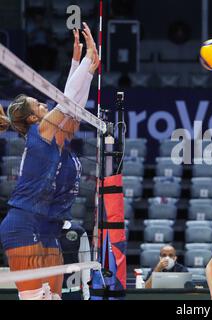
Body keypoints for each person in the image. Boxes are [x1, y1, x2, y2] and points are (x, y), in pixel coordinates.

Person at [0, 23, 98, 300]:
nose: (46, 105)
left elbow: (74, 108)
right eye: (40, 106)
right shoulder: (39, 131)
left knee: (54, 298)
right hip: (22, 222)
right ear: (32, 118)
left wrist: (85, 68)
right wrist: (85, 63)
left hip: (46, 224)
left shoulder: (57, 136)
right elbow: (66, 102)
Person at [59, 221, 91, 300]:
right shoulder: (41, 229)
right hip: (46, 292)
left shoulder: (79, 231)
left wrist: (86, 295)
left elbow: (85, 264)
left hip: (72, 291)